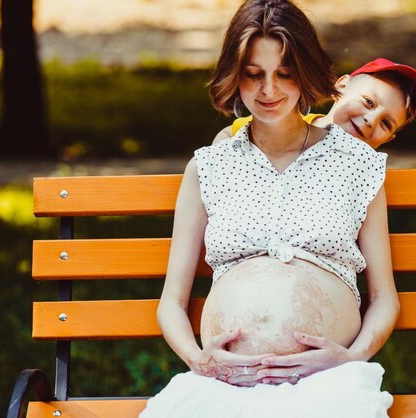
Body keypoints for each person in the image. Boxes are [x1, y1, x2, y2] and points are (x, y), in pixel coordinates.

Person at [140, 0, 399, 416]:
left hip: (326, 383)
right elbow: (171, 301)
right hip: (223, 384)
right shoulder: (209, 166)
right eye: (253, 74)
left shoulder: (358, 164)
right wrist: (198, 360)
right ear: (233, 75)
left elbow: (385, 297)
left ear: (307, 73)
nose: (269, 91)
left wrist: (352, 358)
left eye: (285, 73)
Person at [214, 57, 416, 149]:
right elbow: (230, 136)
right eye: (368, 102)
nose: (371, 120)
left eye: (386, 124)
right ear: (341, 86)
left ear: (388, 139)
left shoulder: (363, 172)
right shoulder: (284, 126)